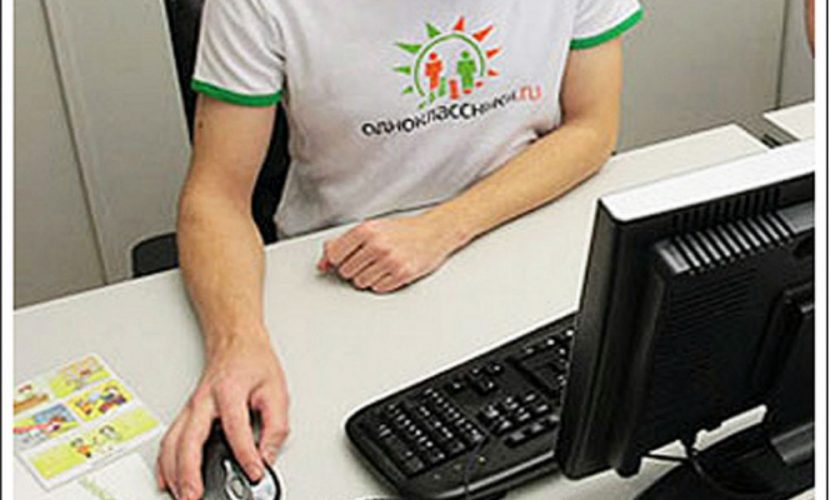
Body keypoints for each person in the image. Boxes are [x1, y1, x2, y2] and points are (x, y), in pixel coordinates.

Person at [156, 2, 643, 499]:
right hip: (347, 277)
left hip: (521, 230)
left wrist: (442, 228)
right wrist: (235, 344)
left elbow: (592, 127)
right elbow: (215, 197)